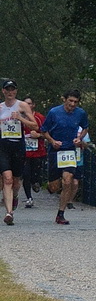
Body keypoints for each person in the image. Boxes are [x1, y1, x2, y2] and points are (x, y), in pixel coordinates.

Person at [42, 90, 90, 226]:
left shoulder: (80, 113)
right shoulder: (54, 112)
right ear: (64, 100)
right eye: (70, 101)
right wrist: (52, 141)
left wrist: (79, 138)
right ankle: (51, 186)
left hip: (69, 150)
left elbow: (85, 127)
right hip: (55, 150)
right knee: (54, 186)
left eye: (75, 102)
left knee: (68, 181)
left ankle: (60, 214)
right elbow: (44, 130)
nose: (72, 104)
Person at [0, 80, 39, 224]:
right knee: (7, 178)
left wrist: (20, 118)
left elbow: (34, 125)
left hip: (18, 146)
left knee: (16, 182)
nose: (10, 92)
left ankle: (15, 196)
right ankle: (9, 213)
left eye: (13, 89)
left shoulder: (22, 105)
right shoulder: (0, 108)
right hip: (3, 146)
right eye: (7, 90)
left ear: (16, 91)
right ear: (3, 91)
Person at [21, 95, 48, 208]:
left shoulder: (39, 117)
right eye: (25, 103)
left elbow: (47, 134)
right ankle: (29, 198)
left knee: (35, 174)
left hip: (38, 151)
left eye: (29, 103)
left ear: (33, 105)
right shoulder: (18, 117)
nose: (27, 106)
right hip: (24, 151)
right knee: (26, 174)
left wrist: (38, 135)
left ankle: (36, 182)